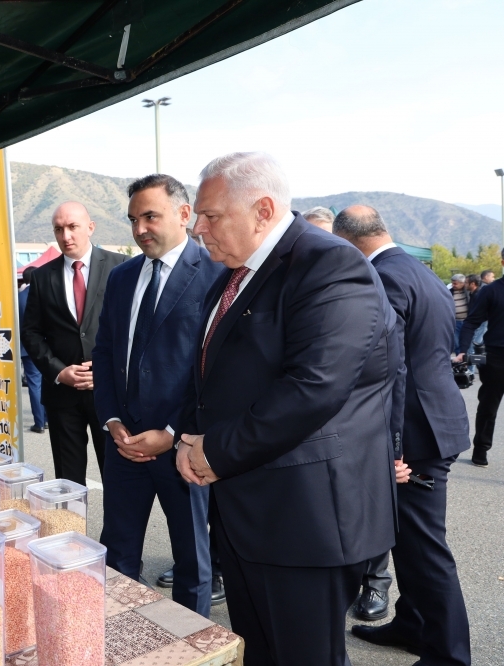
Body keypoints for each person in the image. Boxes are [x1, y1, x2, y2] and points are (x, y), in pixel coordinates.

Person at [171, 152, 399, 666]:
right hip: (248, 512)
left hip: (305, 520)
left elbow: (313, 388)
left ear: (263, 210)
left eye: (210, 215)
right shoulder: (234, 274)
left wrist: (213, 451)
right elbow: (213, 375)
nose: (198, 228)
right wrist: (186, 436)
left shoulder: (329, 264)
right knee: (260, 653)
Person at [335, 205, 471, 666]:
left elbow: (389, 369)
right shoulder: (418, 272)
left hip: (415, 433)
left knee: (425, 549)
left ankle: (449, 655)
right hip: (431, 421)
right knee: (408, 543)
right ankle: (412, 624)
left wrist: (392, 448)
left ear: (347, 242)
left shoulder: (383, 278)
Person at [93, 174, 224, 615]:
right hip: (124, 445)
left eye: (150, 216)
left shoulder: (216, 274)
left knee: (192, 560)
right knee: (117, 554)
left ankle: (193, 644)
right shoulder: (122, 277)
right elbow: (105, 351)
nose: (140, 229)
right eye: (133, 219)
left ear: (184, 214)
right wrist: (111, 419)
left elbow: (213, 371)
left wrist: (172, 432)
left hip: (183, 446)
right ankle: (120, 636)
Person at [21, 201, 127, 486]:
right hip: (62, 397)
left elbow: (132, 329)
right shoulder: (42, 276)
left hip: (110, 394)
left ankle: (115, 520)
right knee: (68, 482)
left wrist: (105, 369)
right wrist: (58, 371)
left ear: (90, 227)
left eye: (72, 227)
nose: (65, 236)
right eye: (58, 229)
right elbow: (31, 333)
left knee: (117, 477)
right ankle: (71, 518)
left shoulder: (122, 267)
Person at [457, 247, 504, 467]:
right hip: (494, 357)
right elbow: (471, 322)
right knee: (488, 405)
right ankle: (480, 450)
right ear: (502, 262)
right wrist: (462, 350)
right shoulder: (491, 291)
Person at [18, 269, 47, 433]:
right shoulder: (46, 292)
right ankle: (47, 419)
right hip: (48, 346)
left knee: (35, 384)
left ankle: (39, 422)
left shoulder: (18, 297)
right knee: (48, 381)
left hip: (27, 347)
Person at [449, 273, 468, 353]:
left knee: (467, 342)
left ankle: (467, 359)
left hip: (466, 321)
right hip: (455, 322)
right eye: (452, 283)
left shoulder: (468, 292)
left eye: (455, 283)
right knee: (456, 343)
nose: (453, 285)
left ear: (462, 283)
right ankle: (459, 359)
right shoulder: (449, 292)